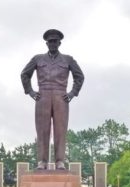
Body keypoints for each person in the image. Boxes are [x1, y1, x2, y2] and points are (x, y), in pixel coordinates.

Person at [20, 29, 84, 170]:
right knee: (42, 130)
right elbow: (25, 74)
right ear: (46, 43)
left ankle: (60, 161)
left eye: (55, 41)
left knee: (60, 130)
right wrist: (30, 91)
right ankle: (42, 162)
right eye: (50, 41)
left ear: (59, 43)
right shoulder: (38, 59)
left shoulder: (68, 60)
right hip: (42, 96)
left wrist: (73, 93)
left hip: (61, 97)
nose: (53, 44)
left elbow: (79, 76)